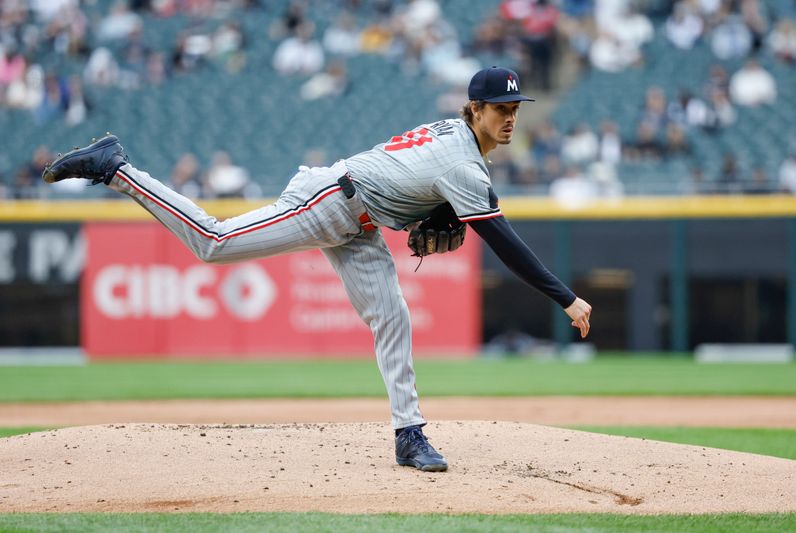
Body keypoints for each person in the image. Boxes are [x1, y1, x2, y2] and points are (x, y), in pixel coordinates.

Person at [41, 66, 592, 473]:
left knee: (393, 317)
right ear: (475, 110)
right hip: (330, 199)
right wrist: (565, 297)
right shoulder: (462, 162)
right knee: (214, 242)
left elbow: (418, 180)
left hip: (363, 222)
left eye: (515, 109)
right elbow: (504, 242)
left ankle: (409, 434)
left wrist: (434, 209)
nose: (510, 117)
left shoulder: (454, 138)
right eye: (500, 109)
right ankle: (115, 168)